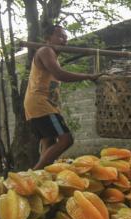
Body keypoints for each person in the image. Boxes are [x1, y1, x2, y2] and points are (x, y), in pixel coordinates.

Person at [24, 25, 103, 170]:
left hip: (39, 105)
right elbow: (60, 75)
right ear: (48, 38)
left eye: (66, 38)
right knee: (66, 140)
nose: (64, 41)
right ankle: (33, 175)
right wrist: (89, 76)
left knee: (49, 142)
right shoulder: (46, 50)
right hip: (41, 104)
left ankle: (41, 178)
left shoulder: (52, 55)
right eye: (60, 36)